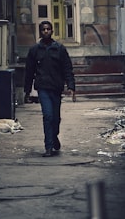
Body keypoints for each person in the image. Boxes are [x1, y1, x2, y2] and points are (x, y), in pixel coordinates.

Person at [23, 20, 76, 157]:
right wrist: (27, 91)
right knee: (48, 116)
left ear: (52, 31)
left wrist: (71, 86)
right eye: (43, 29)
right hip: (43, 88)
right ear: (40, 32)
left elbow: (67, 68)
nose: (46, 31)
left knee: (56, 118)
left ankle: (54, 136)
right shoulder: (35, 50)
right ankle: (48, 146)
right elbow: (29, 71)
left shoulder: (59, 48)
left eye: (48, 29)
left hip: (56, 88)